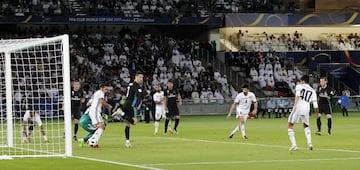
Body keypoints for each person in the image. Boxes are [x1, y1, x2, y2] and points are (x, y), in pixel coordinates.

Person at [287, 75, 318, 151]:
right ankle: (310, 143)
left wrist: (295, 105)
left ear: (303, 81)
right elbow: (315, 104)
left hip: (298, 107)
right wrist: (317, 113)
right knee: (306, 125)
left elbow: (297, 95)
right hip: (306, 109)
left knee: (290, 125)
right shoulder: (312, 91)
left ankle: (294, 145)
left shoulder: (299, 86)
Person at [121, 72, 148, 147]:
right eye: (140, 77)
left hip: (126, 103)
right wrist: (146, 93)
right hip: (131, 105)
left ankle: (127, 141)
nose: (141, 79)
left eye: (142, 77)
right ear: (135, 77)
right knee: (134, 122)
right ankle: (121, 114)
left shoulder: (130, 84)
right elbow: (140, 95)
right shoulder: (136, 85)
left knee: (127, 124)